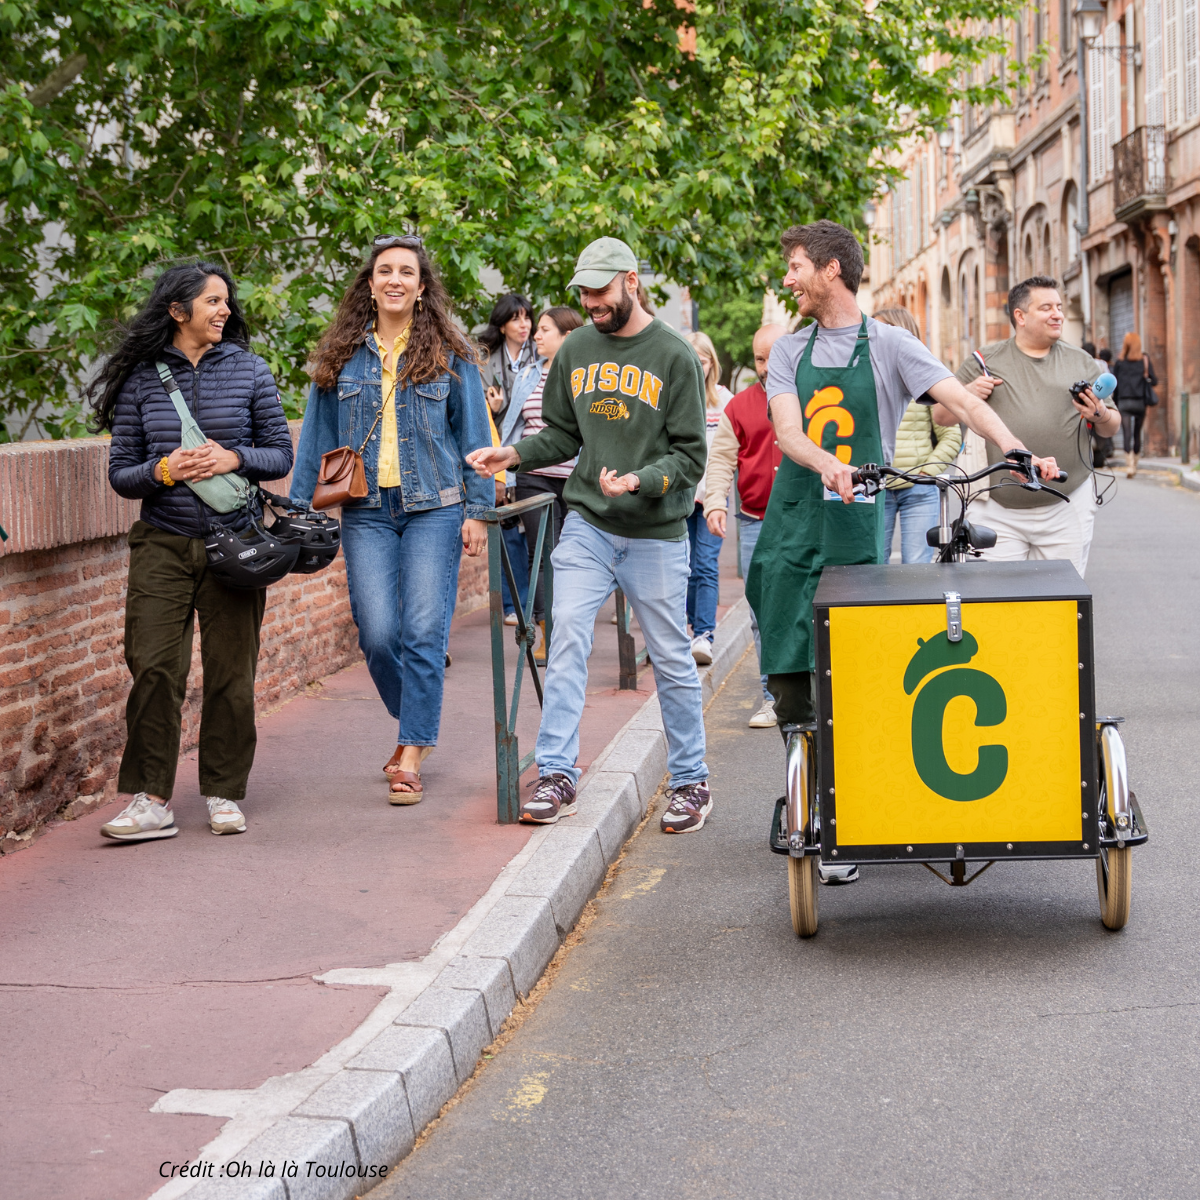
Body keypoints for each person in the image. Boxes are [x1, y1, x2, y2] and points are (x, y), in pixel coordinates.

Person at [748, 222, 1061, 885]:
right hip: (794, 516)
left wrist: (1017, 450)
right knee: (784, 664)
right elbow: (785, 431)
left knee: (851, 663)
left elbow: (961, 404)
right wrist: (828, 463)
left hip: (858, 524)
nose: (788, 278)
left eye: (796, 266)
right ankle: (806, 784)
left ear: (831, 270)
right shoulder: (788, 350)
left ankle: (847, 809)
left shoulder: (890, 344)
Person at [467, 237, 713, 834]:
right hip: (588, 524)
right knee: (568, 635)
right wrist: (514, 453)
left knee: (674, 658)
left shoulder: (675, 354)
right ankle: (557, 773)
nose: (590, 301)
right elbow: (561, 435)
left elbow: (691, 456)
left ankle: (690, 781)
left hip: (655, 531)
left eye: (600, 290)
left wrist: (641, 480)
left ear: (630, 280)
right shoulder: (575, 349)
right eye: (583, 291)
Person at [91, 261, 294, 842]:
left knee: (233, 673)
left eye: (226, 301)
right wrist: (165, 468)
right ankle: (151, 799)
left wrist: (234, 458)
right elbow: (122, 474)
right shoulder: (140, 380)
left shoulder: (250, 370)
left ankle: (224, 792)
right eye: (213, 301)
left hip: (238, 543)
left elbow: (279, 454)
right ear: (178, 311)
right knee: (154, 666)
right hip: (162, 542)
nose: (225, 310)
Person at [291, 234, 492, 804]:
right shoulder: (340, 357)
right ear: (371, 284)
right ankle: (419, 725)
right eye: (385, 271)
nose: (396, 279)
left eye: (407, 271)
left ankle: (410, 753)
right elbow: (316, 438)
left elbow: (475, 438)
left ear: (422, 287)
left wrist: (478, 511)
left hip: (436, 506)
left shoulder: (451, 356)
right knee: (379, 635)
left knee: (424, 631)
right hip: (366, 511)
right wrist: (305, 508)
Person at [953, 275, 1120, 575]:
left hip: (1067, 507)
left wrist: (1100, 415)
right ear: (1020, 316)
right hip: (996, 510)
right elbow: (941, 414)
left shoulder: (1081, 360)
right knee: (995, 603)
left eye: (1059, 306)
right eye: (1046, 307)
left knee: (1060, 604)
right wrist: (967, 393)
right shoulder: (983, 360)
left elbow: (1112, 426)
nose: (1058, 314)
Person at [702, 324, 785, 727]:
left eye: (772, 356)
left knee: (805, 610)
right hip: (754, 522)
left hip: (801, 522)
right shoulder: (738, 407)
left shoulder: (814, 399)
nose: (765, 366)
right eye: (759, 358)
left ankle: (814, 693)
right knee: (761, 614)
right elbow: (720, 461)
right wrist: (715, 502)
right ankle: (774, 698)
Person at [496, 305, 585, 663]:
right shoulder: (529, 374)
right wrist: (504, 470)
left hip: (577, 478)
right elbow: (513, 426)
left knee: (573, 556)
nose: (536, 335)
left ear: (567, 335)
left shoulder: (585, 374)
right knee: (542, 554)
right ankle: (543, 632)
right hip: (534, 477)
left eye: (545, 329)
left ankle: (572, 629)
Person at [871, 308, 963, 564]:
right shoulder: (866, 377)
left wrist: (927, 471)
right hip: (876, 487)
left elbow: (951, 435)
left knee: (917, 568)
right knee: (875, 564)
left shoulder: (924, 377)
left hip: (918, 489)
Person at [682, 330, 733, 666]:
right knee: (683, 567)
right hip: (681, 493)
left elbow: (731, 450)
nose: (695, 367)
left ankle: (704, 635)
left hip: (711, 495)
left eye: (700, 361)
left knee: (705, 564)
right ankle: (689, 628)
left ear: (711, 363)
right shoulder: (676, 398)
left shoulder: (725, 400)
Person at [479, 293, 539, 422]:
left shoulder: (542, 356)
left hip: (535, 435)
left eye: (527, 318)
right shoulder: (486, 363)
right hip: (501, 439)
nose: (524, 325)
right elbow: (479, 413)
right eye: (516, 319)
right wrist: (493, 409)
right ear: (502, 326)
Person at [1113, 331, 1158, 478]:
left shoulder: (1119, 363)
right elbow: (1155, 381)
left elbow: (1115, 384)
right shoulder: (1144, 360)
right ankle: (1136, 463)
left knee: (1126, 433)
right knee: (1137, 433)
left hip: (1124, 401)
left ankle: (1129, 465)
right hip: (1140, 402)